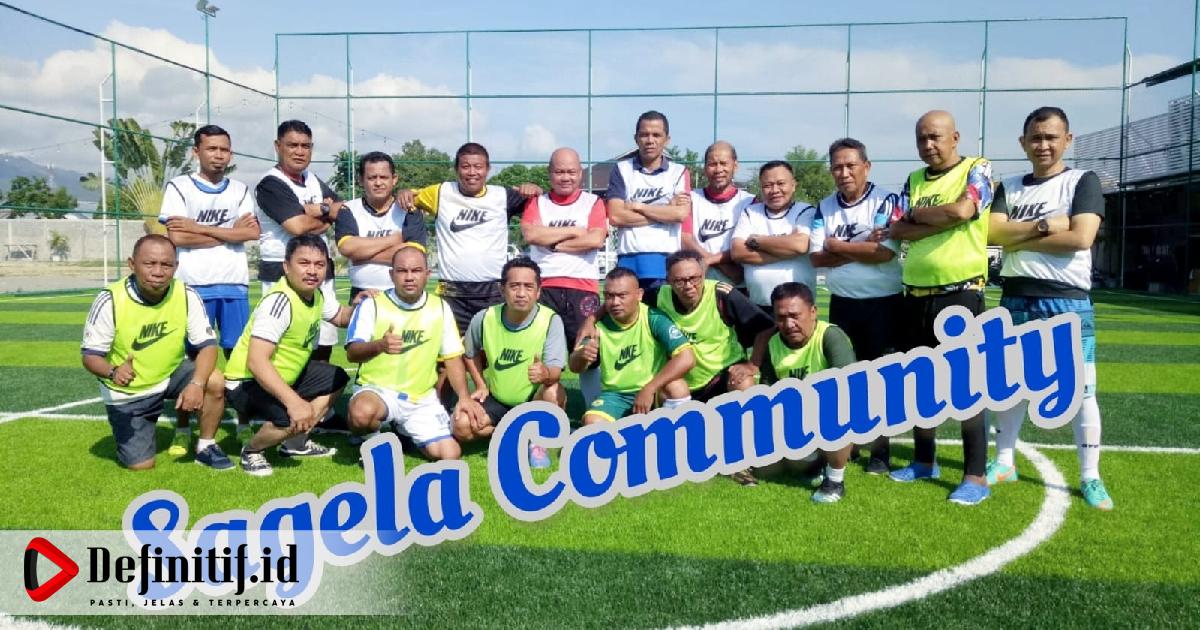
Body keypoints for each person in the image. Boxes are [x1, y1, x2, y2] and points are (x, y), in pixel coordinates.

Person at [987, 106, 1112, 510]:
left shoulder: (1082, 181)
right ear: (1023, 143)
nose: (1043, 145)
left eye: (1051, 137)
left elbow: (1080, 239)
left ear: (1067, 140)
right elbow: (992, 234)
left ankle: (1090, 476)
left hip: (1067, 300)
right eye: (1036, 137)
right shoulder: (1008, 185)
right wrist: (1045, 225)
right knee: (1009, 387)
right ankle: (1003, 462)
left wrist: (1017, 236)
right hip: (1015, 297)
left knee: (1081, 391)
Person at [887, 110, 993, 505]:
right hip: (915, 296)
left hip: (960, 294)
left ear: (955, 137)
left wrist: (919, 215)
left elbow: (965, 210)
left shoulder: (976, 168)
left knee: (967, 389)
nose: (928, 145)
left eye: (935, 137)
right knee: (920, 386)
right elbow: (896, 227)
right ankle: (924, 461)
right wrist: (941, 216)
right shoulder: (914, 179)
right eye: (921, 138)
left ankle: (975, 476)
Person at [80, 234, 230, 471]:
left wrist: (197, 384)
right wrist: (113, 371)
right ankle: (138, 429)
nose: (158, 272)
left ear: (176, 266)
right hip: (129, 391)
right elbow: (90, 356)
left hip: (170, 373)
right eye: (149, 264)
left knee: (214, 380)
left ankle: (206, 446)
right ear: (132, 264)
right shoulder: (111, 299)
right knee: (141, 465)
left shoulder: (186, 294)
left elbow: (208, 346)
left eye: (166, 265)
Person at [159, 124, 260, 451]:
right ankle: (183, 428)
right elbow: (177, 237)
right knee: (192, 361)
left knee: (239, 359)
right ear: (196, 152)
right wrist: (228, 232)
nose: (219, 155)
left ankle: (243, 424)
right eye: (212, 149)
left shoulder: (240, 190)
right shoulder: (179, 187)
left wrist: (198, 227)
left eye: (224, 149)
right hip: (193, 286)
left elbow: (250, 233)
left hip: (234, 285)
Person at [223, 235, 359, 477]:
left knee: (336, 378)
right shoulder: (279, 302)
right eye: (304, 263)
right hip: (246, 382)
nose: (312, 271)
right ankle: (252, 450)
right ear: (286, 266)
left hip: (285, 376)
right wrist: (294, 402)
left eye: (319, 264)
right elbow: (256, 361)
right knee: (289, 418)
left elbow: (340, 317)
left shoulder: (316, 294)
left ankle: (295, 443)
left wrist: (361, 306)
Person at [809, 137, 903, 474]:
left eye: (851, 165)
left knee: (882, 378)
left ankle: (880, 451)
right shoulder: (824, 207)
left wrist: (838, 246)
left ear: (867, 166)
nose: (844, 172)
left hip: (883, 303)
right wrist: (859, 246)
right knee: (846, 378)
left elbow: (884, 253)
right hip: (843, 304)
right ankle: (849, 444)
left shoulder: (887, 200)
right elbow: (817, 257)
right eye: (837, 167)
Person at [344, 245, 485, 462]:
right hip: (379, 392)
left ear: (427, 274)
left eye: (416, 270)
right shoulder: (372, 305)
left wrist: (464, 397)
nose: (409, 277)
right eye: (402, 271)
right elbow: (352, 353)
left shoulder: (440, 308)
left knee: (450, 455)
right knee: (361, 414)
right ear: (391, 274)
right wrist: (379, 345)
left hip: (421, 399)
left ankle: (404, 432)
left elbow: (452, 357)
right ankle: (372, 441)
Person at [396, 142, 542, 334]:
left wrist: (534, 188)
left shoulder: (502, 195)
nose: (472, 172)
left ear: (488, 169)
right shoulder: (440, 192)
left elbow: (540, 200)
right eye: (466, 166)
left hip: (493, 294)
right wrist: (404, 192)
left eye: (478, 167)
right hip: (452, 295)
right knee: (450, 352)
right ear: (456, 169)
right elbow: (408, 197)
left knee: (491, 350)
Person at [730, 282, 858, 502]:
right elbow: (770, 393)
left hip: (828, 413)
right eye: (781, 317)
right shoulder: (773, 343)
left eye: (795, 316)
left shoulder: (830, 337)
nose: (789, 324)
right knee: (768, 468)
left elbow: (847, 387)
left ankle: (835, 481)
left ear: (813, 312)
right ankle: (814, 464)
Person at [457, 258, 568, 468]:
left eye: (528, 287)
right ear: (502, 289)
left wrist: (545, 373)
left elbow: (555, 372)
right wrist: (480, 384)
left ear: (538, 291)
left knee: (553, 391)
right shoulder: (485, 318)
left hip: (534, 400)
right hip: (498, 399)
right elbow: (469, 353)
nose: (521, 293)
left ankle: (537, 442)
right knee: (461, 426)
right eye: (514, 286)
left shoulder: (550, 320)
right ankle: (512, 433)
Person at [521, 147, 607, 404]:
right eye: (559, 172)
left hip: (583, 288)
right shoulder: (538, 202)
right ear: (550, 173)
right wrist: (576, 232)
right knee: (544, 354)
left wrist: (554, 243)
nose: (565, 177)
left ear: (580, 173)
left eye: (571, 171)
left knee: (588, 352)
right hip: (545, 288)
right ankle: (544, 409)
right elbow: (531, 234)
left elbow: (595, 239)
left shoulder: (593, 202)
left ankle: (595, 411)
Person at [255, 119, 343, 363]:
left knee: (323, 341)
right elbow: (297, 227)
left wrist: (317, 209)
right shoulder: (271, 184)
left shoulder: (312, 179)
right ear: (278, 146)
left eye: (306, 146)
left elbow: (341, 209)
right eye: (292, 145)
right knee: (285, 345)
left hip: (321, 269)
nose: (300, 151)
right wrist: (326, 213)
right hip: (281, 272)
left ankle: (318, 389)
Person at [568, 267, 694, 424]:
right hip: (616, 396)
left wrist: (649, 388)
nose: (615, 302)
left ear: (639, 295)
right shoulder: (597, 326)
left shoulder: (653, 318)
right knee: (592, 422)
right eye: (609, 296)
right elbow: (574, 367)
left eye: (622, 296)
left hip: (654, 391)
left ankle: (671, 435)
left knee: (677, 388)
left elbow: (687, 358)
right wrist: (581, 356)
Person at [656, 250, 773, 402]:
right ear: (668, 281)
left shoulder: (721, 293)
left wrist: (753, 364)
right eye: (679, 281)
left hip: (723, 373)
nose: (689, 285)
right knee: (669, 389)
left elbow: (765, 325)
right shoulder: (658, 297)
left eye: (694, 278)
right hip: (682, 378)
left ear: (703, 275)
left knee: (743, 382)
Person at [605, 110, 693, 298]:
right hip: (629, 260)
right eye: (644, 135)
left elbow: (680, 214)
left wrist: (639, 206)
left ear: (667, 139)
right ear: (636, 138)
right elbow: (616, 216)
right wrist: (666, 211)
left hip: (667, 261)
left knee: (663, 315)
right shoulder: (621, 169)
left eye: (656, 135)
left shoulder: (679, 171)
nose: (650, 140)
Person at [335, 151, 429, 303]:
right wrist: (392, 240)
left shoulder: (409, 210)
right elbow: (347, 247)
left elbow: (414, 256)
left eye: (383, 177)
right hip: (361, 295)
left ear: (394, 179)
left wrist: (360, 255)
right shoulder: (348, 209)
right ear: (361, 180)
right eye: (372, 178)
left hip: (401, 295)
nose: (378, 183)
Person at [731, 161, 817, 309]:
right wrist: (788, 250)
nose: (775, 190)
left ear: (793, 185)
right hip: (758, 306)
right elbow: (737, 252)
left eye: (781, 183)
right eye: (768, 185)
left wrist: (757, 240)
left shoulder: (806, 211)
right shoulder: (750, 212)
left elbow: (800, 245)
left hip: (797, 308)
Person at [682, 141, 754, 287]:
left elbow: (745, 246)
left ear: (735, 166)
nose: (718, 169)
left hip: (739, 287)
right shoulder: (691, 198)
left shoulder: (750, 202)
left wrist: (709, 261)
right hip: (699, 286)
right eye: (712, 164)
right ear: (705, 168)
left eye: (723, 163)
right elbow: (685, 240)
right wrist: (717, 262)